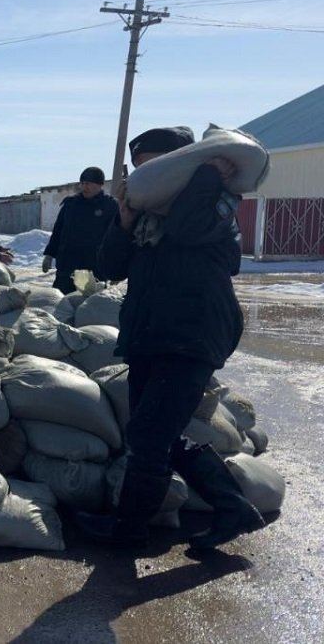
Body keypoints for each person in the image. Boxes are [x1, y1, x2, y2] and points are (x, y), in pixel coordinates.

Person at [76, 126, 264, 549]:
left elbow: (186, 229)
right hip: (150, 334)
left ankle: (130, 531)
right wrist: (123, 222)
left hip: (192, 335)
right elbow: (108, 267)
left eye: (153, 168)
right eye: (139, 170)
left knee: (148, 435)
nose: (145, 179)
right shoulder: (144, 217)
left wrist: (207, 176)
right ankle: (232, 507)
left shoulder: (216, 206)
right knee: (155, 433)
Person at [42, 166, 117, 293]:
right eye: (82, 183)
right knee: (62, 303)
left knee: (87, 305)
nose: (85, 187)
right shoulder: (71, 204)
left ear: (100, 185)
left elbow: (115, 238)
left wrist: (115, 267)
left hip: (92, 267)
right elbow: (58, 231)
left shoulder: (110, 206)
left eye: (89, 183)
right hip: (67, 265)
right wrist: (49, 254)